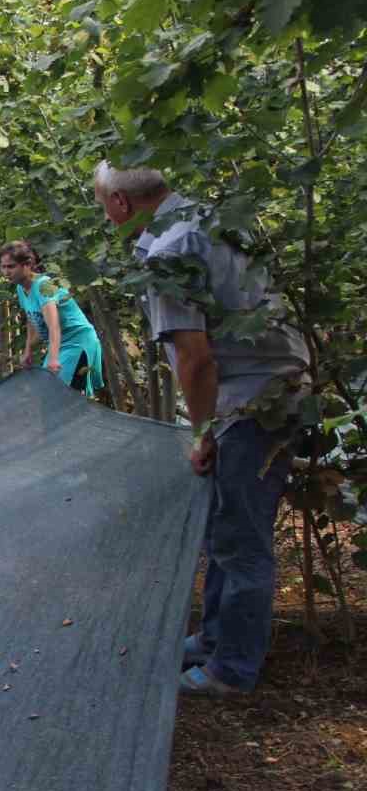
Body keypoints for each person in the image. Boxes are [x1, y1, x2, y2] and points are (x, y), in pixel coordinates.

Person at [93, 161, 309, 697]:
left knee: (241, 540)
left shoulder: (170, 252)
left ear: (120, 203)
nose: (105, 215)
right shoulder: (210, 218)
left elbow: (195, 359)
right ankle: (214, 639)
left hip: (253, 402)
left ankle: (232, 669)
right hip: (276, 384)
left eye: (102, 205)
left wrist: (202, 432)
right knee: (223, 527)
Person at [0, 240, 105, 397]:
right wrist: (28, 351)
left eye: (11, 266)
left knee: (59, 396)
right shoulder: (21, 288)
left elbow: (53, 325)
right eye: (3, 267)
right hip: (61, 345)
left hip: (78, 342)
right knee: (48, 393)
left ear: (27, 264)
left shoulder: (43, 286)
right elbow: (32, 320)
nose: (6, 272)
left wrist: (53, 359)